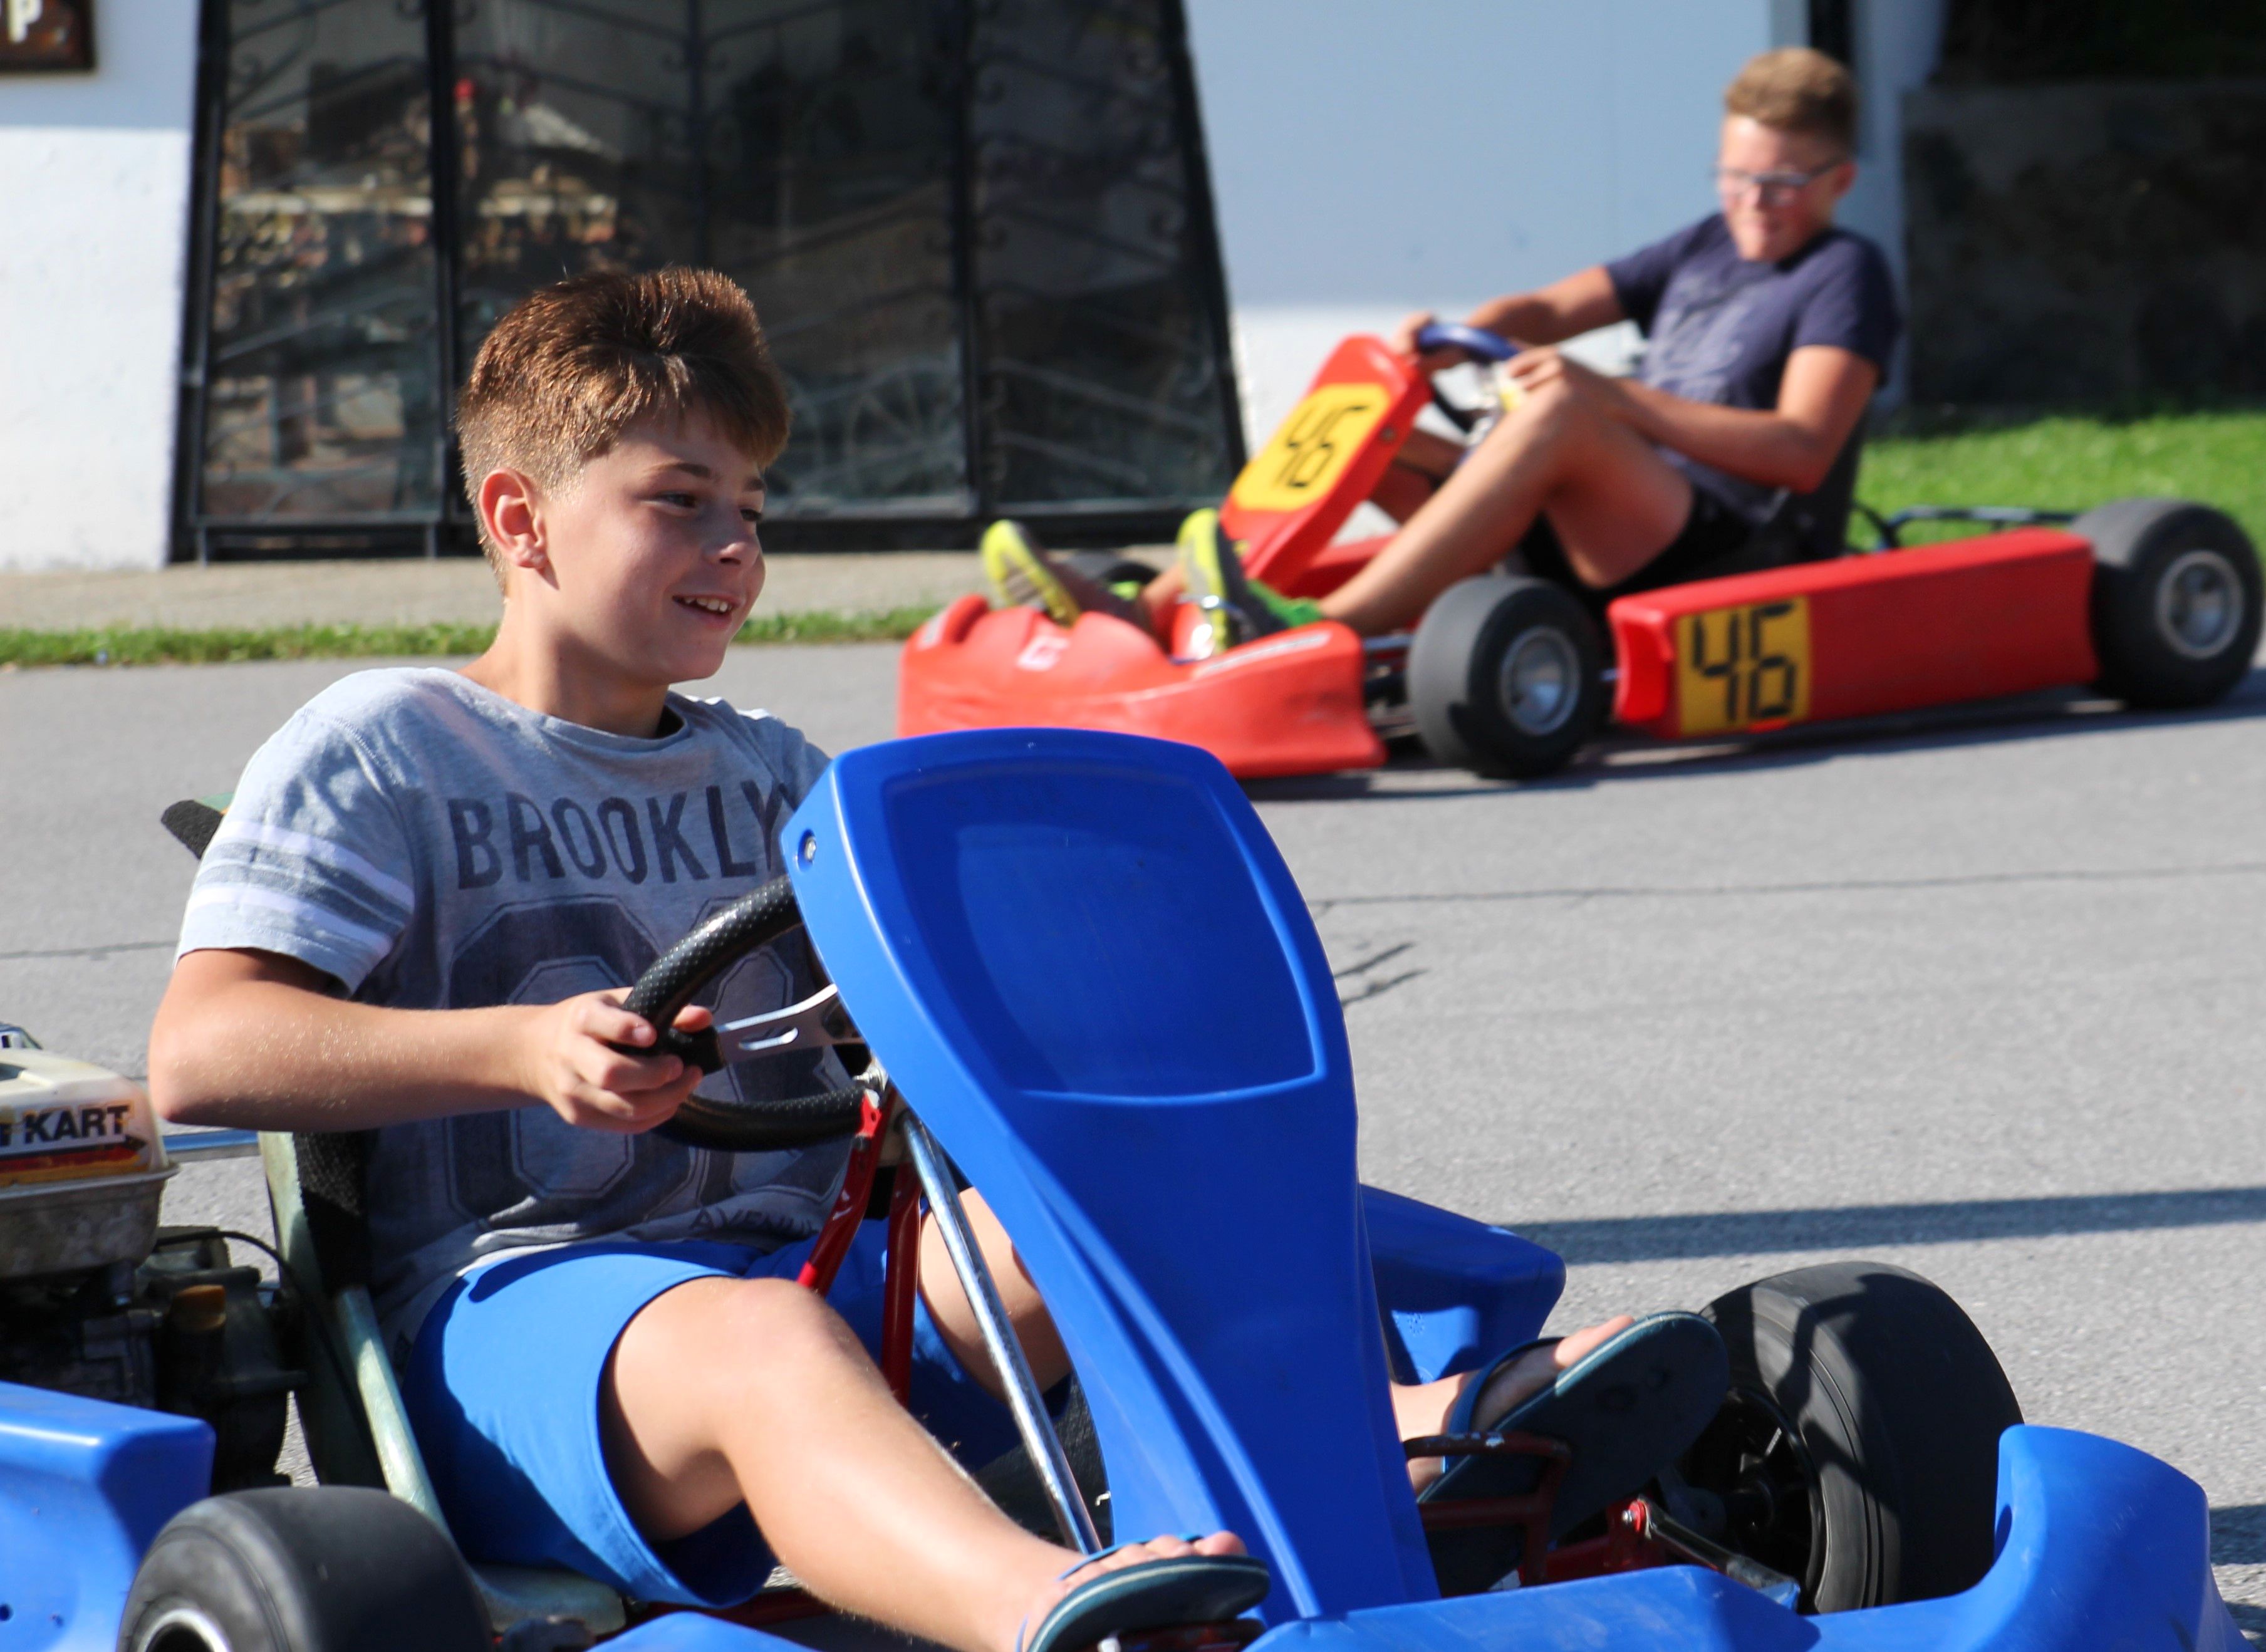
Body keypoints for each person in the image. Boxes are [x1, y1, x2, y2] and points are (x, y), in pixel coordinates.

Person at [145, 268, 1722, 1641]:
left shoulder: (771, 769)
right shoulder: (390, 748)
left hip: (810, 1271)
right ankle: (1039, 1606)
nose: (732, 547)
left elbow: (892, 1035)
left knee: (1091, 1223)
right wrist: (513, 1046)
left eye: (752, 510)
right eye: (679, 499)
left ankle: (1417, 1442)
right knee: (770, 1337)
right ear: (520, 519)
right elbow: (203, 1054)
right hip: (522, 1325)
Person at [982, 46, 1900, 655]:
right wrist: (1455, 341)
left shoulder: (1844, 275)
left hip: (1729, 547)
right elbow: (1547, 307)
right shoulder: (1707, 243)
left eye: (1779, 183)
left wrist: (1617, 401)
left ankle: (1313, 636)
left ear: (1838, 182)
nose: (1752, 201)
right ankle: (1145, 609)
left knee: (1568, 406)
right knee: (1373, 412)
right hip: (1614, 515)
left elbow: (1802, 449)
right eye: (1737, 176)